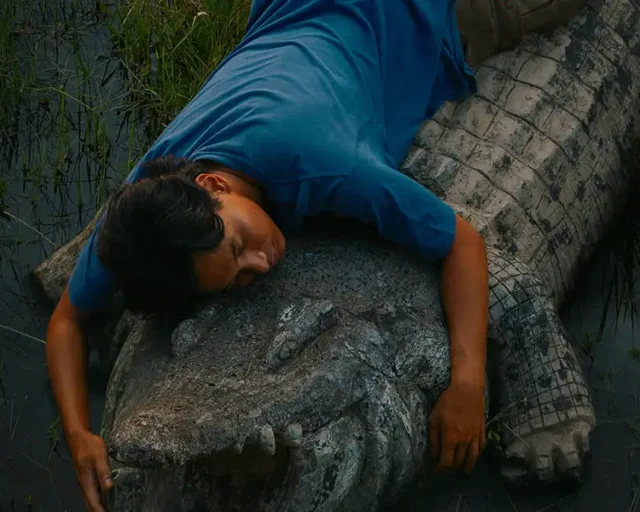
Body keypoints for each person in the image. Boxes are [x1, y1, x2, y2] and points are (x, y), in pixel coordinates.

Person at [45, 0, 585, 510]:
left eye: (238, 246)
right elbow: (68, 318)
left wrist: (467, 383)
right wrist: (79, 432)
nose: (258, 265)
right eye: (232, 280)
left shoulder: (327, 163)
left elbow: (462, 242)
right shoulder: (151, 201)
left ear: (212, 184)